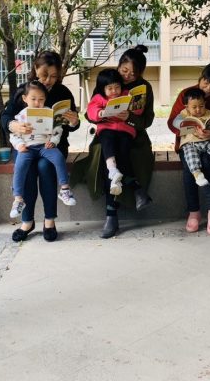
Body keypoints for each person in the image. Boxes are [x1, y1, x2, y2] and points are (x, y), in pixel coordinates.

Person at [72, 46, 156, 238]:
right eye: (124, 70)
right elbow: (90, 113)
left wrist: (129, 117)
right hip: (107, 132)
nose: (127, 76)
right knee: (107, 156)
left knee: (124, 155)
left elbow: (147, 120)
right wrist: (102, 114)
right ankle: (119, 208)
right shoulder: (107, 80)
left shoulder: (144, 88)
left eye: (133, 74)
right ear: (119, 66)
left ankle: (114, 212)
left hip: (133, 134)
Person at [1, 51, 80, 243]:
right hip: (26, 144)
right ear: (35, 69)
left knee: (45, 167)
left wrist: (74, 121)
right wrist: (14, 125)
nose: (48, 80)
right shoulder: (24, 91)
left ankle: (49, 220)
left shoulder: (63, 92)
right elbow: (6, 116)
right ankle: (27, 222)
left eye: (53, 76)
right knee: (27, 167)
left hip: (52, 144)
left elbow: (72, 126)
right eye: (44, 75)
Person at [168, 63, 210, 235]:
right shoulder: (186, 94)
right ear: (200, 78)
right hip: (189, 143)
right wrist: (191, 129)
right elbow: (172, 122)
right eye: (206, 82)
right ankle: (194, 212)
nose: (209, 88)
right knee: (190, 168)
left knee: (208, 162)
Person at [9, 80, 76, 218]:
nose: (37, 102)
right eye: (33, 99)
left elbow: (58, 130)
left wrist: (53, 142)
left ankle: (65, 189)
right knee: (20, 166)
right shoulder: (21, 115)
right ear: (25, 98)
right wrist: (19, 145)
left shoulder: (48, 113)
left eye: (41, 99)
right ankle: (18, 199)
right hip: (27, 148)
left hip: (45, 146)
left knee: (58, 157)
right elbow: (14, 134)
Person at [86, 69, 138, 198]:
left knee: (124, 145)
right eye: (110, 88)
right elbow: (91, 110)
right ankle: (112, 169)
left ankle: (117, 179)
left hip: (125, 129)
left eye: (117, 87)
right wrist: (101, 113)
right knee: (107, 140)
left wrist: (131, 112)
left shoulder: (126, 95)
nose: (114, 91)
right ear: (102, 88)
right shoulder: (99, 98)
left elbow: (137, 110)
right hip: (107, 128)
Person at [171, 87, 210, 187]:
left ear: (205, 103)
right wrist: (184, 124)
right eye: (194, 107)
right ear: (187, 107)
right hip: (190, 143)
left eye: (201, 106)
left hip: (208, 141)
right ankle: (197, 175)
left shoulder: (209, 113)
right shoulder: (184, 113)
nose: (198, 110)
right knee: (190, 155)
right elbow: (175, 122)